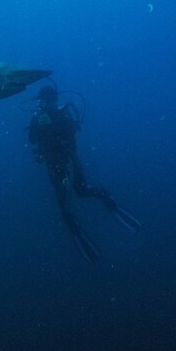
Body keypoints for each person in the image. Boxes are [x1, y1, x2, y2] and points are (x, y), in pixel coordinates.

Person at [28, 85, 141, 264]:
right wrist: (38, 124)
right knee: (63, 203)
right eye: (44, 100)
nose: (47, 103)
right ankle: (76, 231)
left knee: (80, 190)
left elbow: (71, 132)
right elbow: (32, 139)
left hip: (68, 160)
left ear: (54, 100)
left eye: (49, 100)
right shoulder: (38, 117)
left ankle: (107, 200)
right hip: (52, 164)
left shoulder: (63, 113)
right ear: (41, 100)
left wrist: (51, 124)